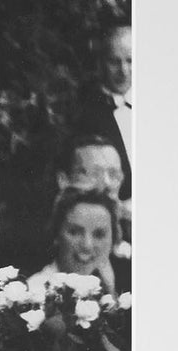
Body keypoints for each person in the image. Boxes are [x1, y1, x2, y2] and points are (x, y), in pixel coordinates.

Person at [28, 187, 131, 299]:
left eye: (99, 234)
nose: (87, 245)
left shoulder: (128, 288)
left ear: (113, 240)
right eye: (74, 232)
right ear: (57, 235)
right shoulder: (33, 293)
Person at [69, 19, 132, 199]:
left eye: (130, 61)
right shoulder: (88, 115)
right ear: (102, 64)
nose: (124, 70)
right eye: (115, 62)